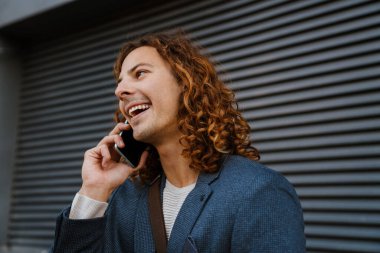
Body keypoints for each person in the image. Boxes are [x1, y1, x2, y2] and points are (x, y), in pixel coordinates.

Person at [50, 31, 305, 253]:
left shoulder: (258, 192)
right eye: (119, 83)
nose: (120, 91)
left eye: (140, 73)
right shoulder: (124, 199)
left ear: (186, 83)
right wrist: (94, 190)